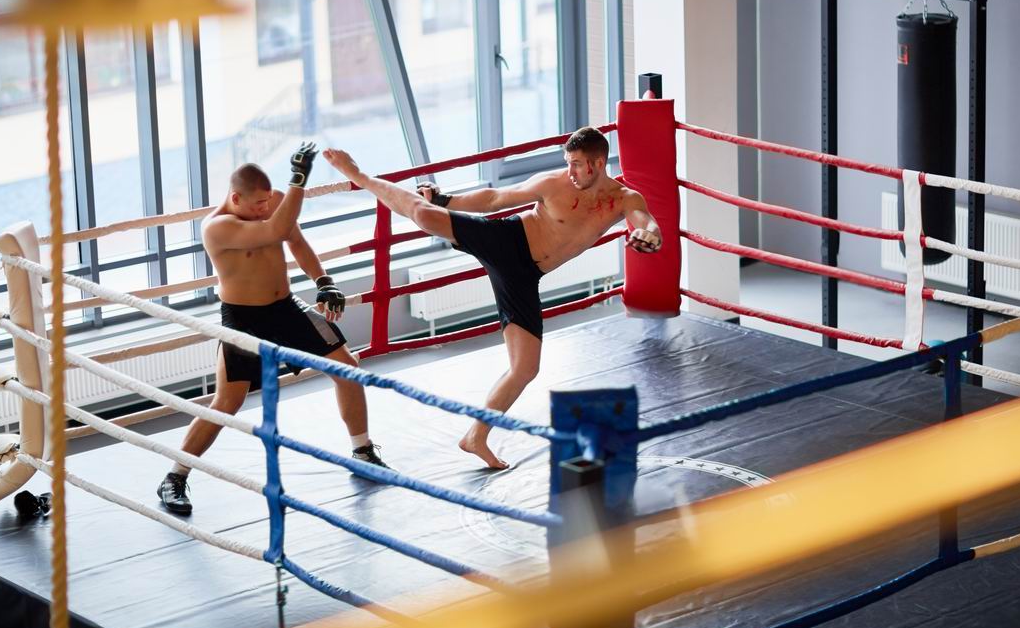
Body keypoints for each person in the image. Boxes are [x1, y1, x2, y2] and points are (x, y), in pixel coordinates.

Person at [323, 127, 661, 469]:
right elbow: (496, 198)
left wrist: (650, 236)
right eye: (568, 163)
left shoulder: (624, 199)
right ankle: (360, 175)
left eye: (576, 164)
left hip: (526, 276)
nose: (571, 172)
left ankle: (476, 437)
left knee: (525, 368)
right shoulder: (552, 183)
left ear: (598, 163)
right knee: (425, 216)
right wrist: (444, 201)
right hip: (507, 240)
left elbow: (647, 223)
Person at [157, 142, 389, 516]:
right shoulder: (218, 227)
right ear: (235, 198)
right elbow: (276, 230)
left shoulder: (275, 200)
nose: (266, 208)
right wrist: (299, 181)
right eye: (258, 205)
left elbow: (293, 238)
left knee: (349, 370)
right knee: (227, 403)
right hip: (245, 319)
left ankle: (363, 451)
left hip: (286, 307)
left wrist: (323, 281)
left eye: (269, 201)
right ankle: (175, 476)